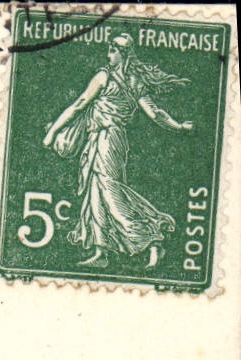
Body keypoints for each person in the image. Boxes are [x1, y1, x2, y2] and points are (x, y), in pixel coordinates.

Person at [43, 34, 193, 269]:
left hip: (107, 138)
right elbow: (156, 114)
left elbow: (80, 103)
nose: (108, 55)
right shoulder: (137, 83)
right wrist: (179, 126)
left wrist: (53, 131)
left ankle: (152, 238)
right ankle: (101, 250)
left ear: (122, 54)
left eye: (112, 50)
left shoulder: (104, 76)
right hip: (107, 139)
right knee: (96, 193)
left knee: (111, 193)